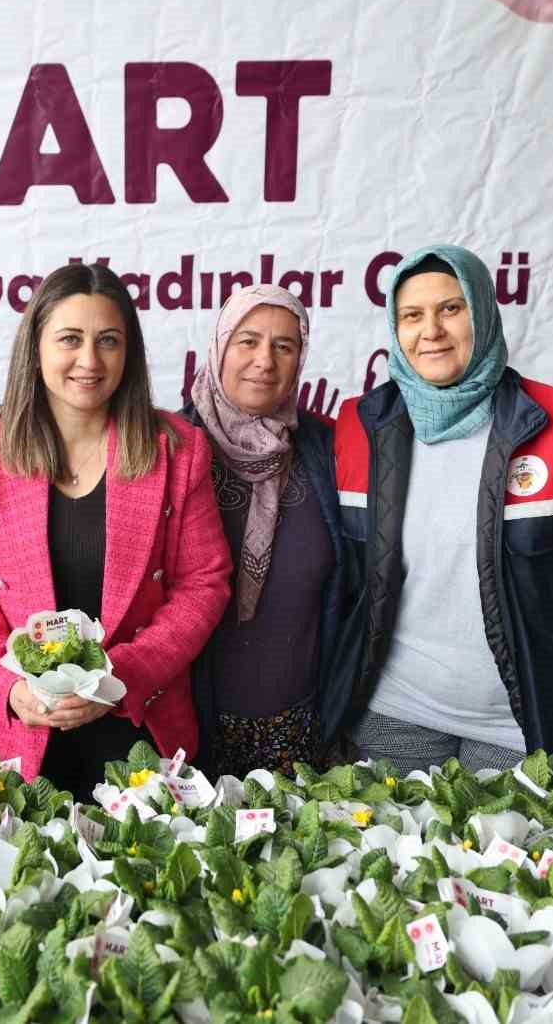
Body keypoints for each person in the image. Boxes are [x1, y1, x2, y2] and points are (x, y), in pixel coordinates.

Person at [329, 244, 553, 780]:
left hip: (524, 727)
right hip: (392, 716)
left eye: (451, 308)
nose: (431, 331)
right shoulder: (360, 428)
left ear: (482, 311)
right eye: (412, 315)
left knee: (507, 840)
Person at [0, 263, 231, 798]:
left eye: (108, 341)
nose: (90, 360)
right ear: (36, 347)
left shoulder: (178, 450)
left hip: (139, 730)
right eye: (70, 339)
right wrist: (7, 684)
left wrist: (120, 679)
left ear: (129, 353)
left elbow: (203, 584)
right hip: (23, 731)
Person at [182, 285, 344, 777]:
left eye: (284, 346)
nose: (265, 361)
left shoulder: (329, 449)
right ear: (220, 347)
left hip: (300, 726)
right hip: (188, 726)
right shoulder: (169, 446)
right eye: (247, 341)